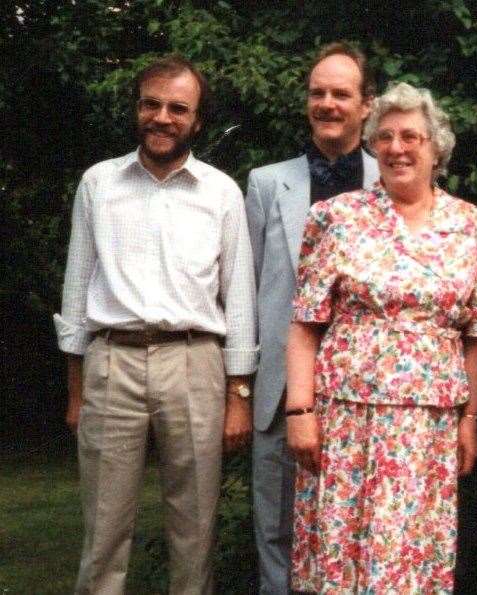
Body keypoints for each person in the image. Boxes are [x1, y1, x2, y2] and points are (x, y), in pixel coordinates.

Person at [54, 54, 256, 594]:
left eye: (177, 108)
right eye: (151, 104)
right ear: (137, 109)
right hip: (110, 363)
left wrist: (239, 395)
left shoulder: (221, 193)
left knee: (194, 531)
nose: (162, 117)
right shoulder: (100, 183)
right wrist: (76, 390)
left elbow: (238, 299)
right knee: (103, 530)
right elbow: (76, 291)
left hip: (194, 364)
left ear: (197, 120)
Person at [283, 81, 477, 593]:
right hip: (344, 417)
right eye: (387, 136)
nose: (398, 148)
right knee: (341, 551)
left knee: (410, 554)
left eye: (412, 137)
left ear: (436, 148)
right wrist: (300, 412)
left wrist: (472, 420)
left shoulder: (472, 225)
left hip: (427, 425)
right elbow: (306, 325)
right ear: (372, 145)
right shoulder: (335, 217)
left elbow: (475, 336)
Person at [243, 41, 379, 594]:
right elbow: (248, 289)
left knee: (360, 527)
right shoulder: (266, 183)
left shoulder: (394, 177)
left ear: (366, 105)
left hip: (364, 388)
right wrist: (241, 389)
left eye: (340, 93)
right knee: (275, 527)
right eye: (317, 92)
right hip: (280, 390)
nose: (327, 103)